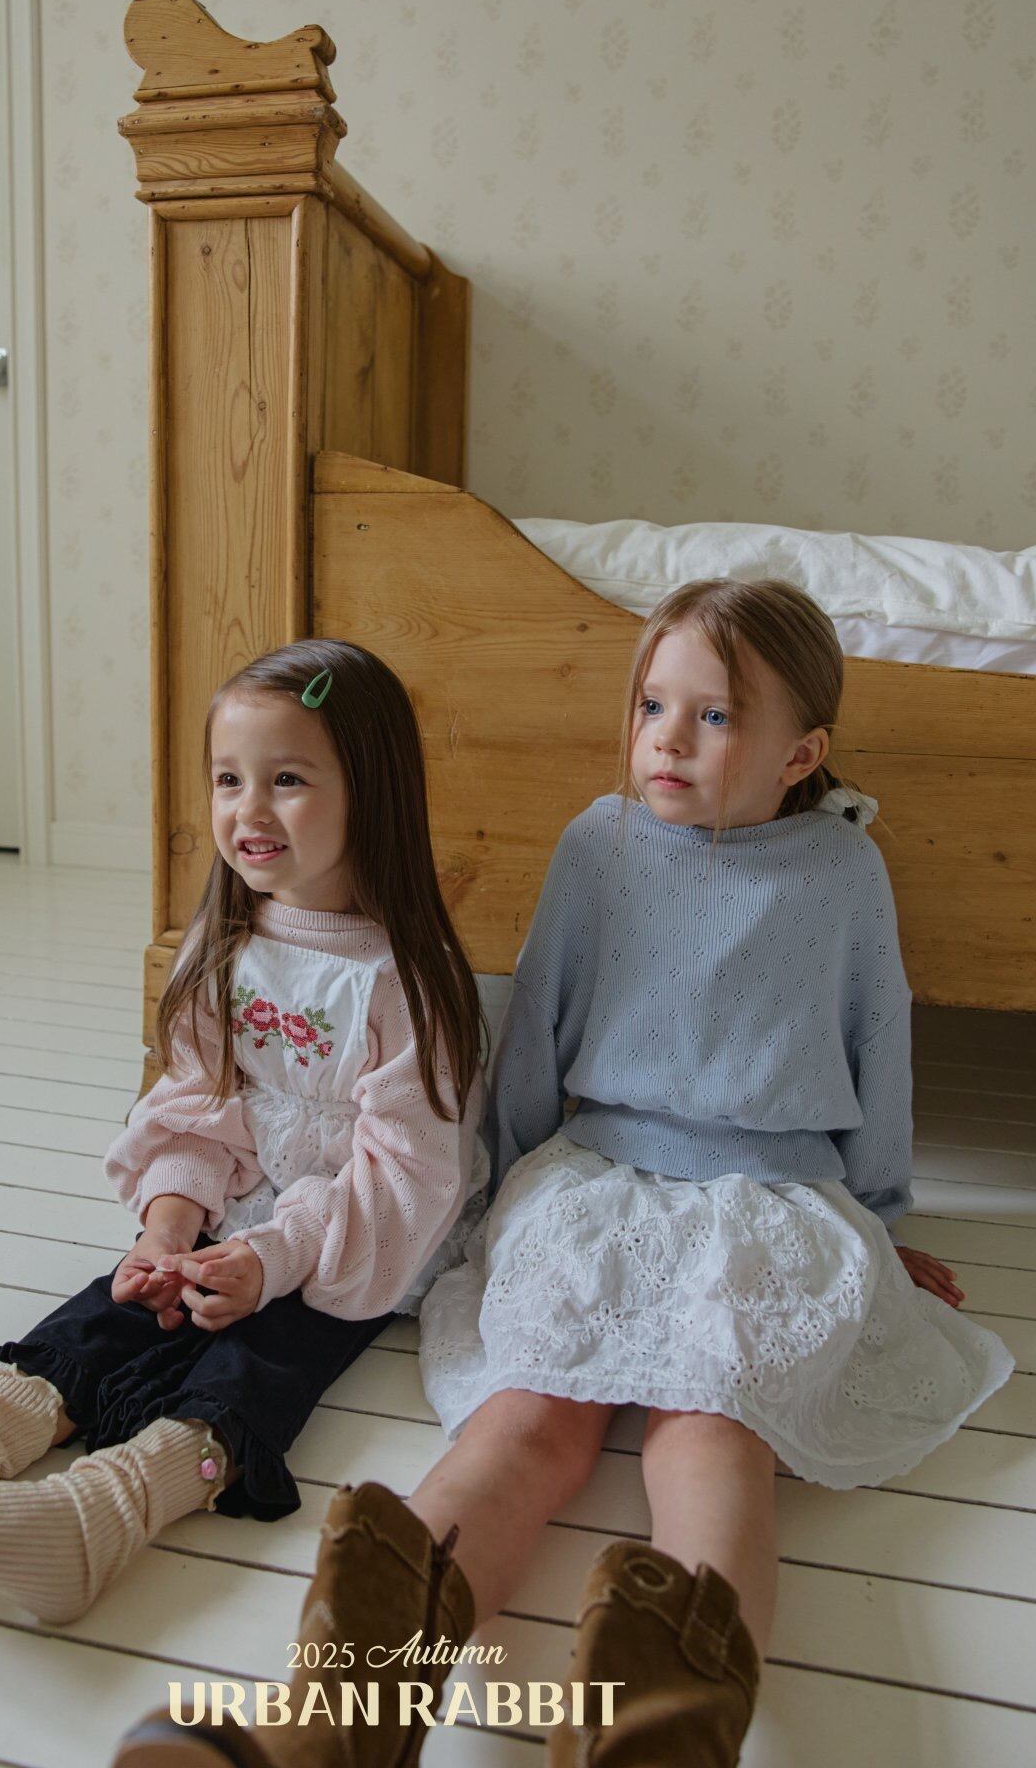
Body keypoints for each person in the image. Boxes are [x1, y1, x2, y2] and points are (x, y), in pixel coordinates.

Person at [122, 580, 1015, 1768]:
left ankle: (657, 1733)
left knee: (712, 1431)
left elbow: (877, 1041)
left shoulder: (842, 871)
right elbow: (537, 1027)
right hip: (596, 1179)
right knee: (525, 1422)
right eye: (651, 705)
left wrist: (878, 1218)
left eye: (712, 716)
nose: (666, 738)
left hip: (768, 1200)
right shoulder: (597, 844)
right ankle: (332, 1721)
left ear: (799, 754)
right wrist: (506, 1194)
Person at [0, 638, 489, 1627]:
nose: (249, 810)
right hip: (243, 1209)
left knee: (260, 1354)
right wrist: (168, 1225)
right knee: (117, 1305)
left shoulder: (404, 983)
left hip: (356, 1238)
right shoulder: (227, 944)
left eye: (286, 780)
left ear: (373, 790)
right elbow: (197, 1104)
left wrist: (270, 1259)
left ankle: (99, 1516)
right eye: (228, 779)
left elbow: (402, 1179)